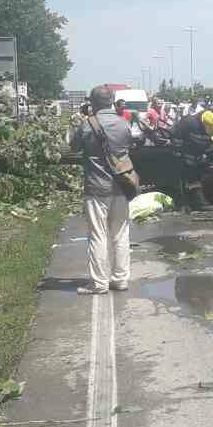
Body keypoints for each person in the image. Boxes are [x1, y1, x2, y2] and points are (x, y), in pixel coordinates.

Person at [68, 85, 134, 295]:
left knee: (98, 235)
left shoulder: (88, 125)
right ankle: (121, 279)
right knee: (120, 234)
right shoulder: (123, 123)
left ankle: (99, 283)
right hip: (122, 186)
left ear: (93, 103)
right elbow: (127, 147)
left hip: (97, 188)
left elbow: (74, 147)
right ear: (112, 101)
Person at [170, 107, 213, 211]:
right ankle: (193, 203)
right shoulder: (188, 122)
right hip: (187, 153)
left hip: (201, 152)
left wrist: (209, 150)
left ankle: (202, 199)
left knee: (204, 175)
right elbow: (176, 137)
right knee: (192, 178)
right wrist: (181, 152)